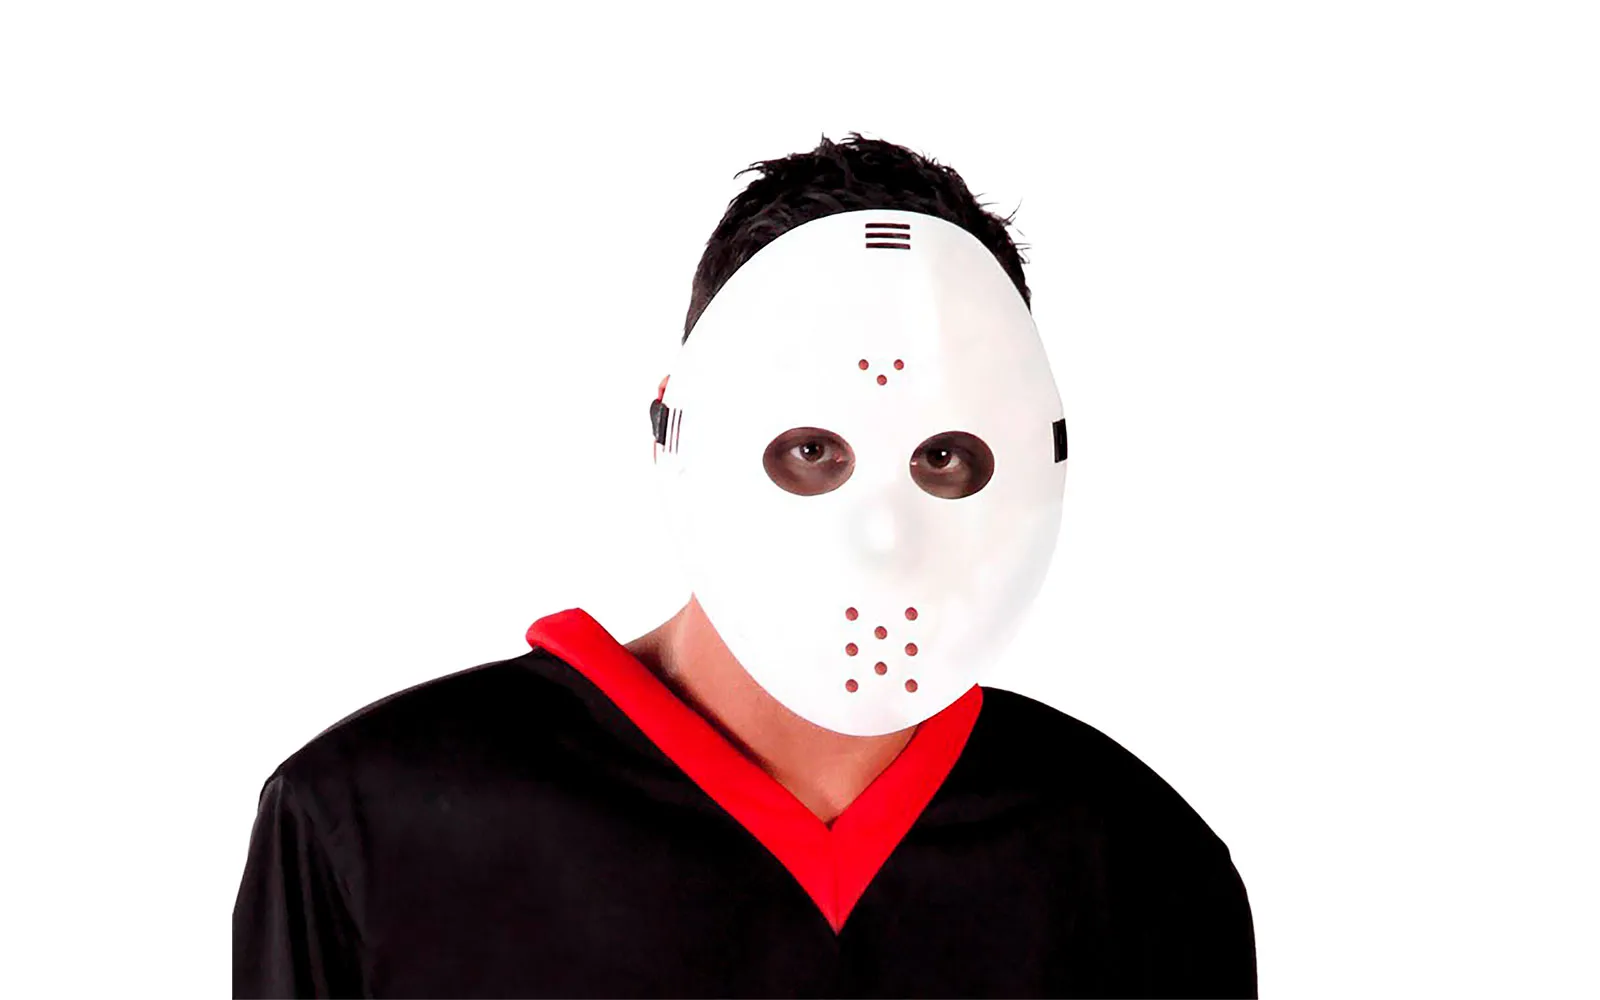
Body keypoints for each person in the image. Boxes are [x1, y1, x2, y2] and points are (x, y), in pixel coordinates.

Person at [232, 134, 1258, 999]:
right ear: (673, 426)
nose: (881, 534)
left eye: (943, 457)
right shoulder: (368, 827)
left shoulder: (1142, 867)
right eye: (811, 449)